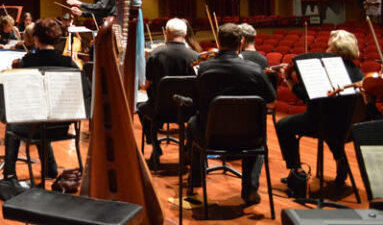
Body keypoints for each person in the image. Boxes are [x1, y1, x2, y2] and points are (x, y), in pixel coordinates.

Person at [188, 23, 276, 206]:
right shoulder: (254, 69)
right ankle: (250, 189)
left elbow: (196, 103)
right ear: (241, 42)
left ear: (218, 42)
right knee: (260, 134)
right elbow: (271, 101)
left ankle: (196, 179)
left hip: (211, 137)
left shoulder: (204, 69)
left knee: (191, 123)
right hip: (249, 138)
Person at [0, 18, 90, 183]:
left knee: (16, 123)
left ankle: (9, 172)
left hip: (37, 127)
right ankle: (50, 168)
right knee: (43, 118)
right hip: (62, 127)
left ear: (36, 38)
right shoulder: (68, 62)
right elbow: (86, 91)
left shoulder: (28, 61)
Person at [276, 30, 363, 187]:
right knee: (333, 120)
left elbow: (306, 97)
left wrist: (288, 78)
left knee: (283, 125)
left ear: (338, 50)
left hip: (323, 125)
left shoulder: (330, 72)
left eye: (329, 47)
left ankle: (297, 172)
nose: (326, 50)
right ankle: (340, 159)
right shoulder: (358, 72)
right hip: (348, 129)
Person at [137, 18, 199, 166]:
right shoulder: (195, 56)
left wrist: (141, 86)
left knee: (141, 109)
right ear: (184, 34)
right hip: (188, 110)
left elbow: (146, 85)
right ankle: (187, 148)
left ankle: (155, 147)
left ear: (167, 33)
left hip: (159, 110)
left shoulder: (155, 55)